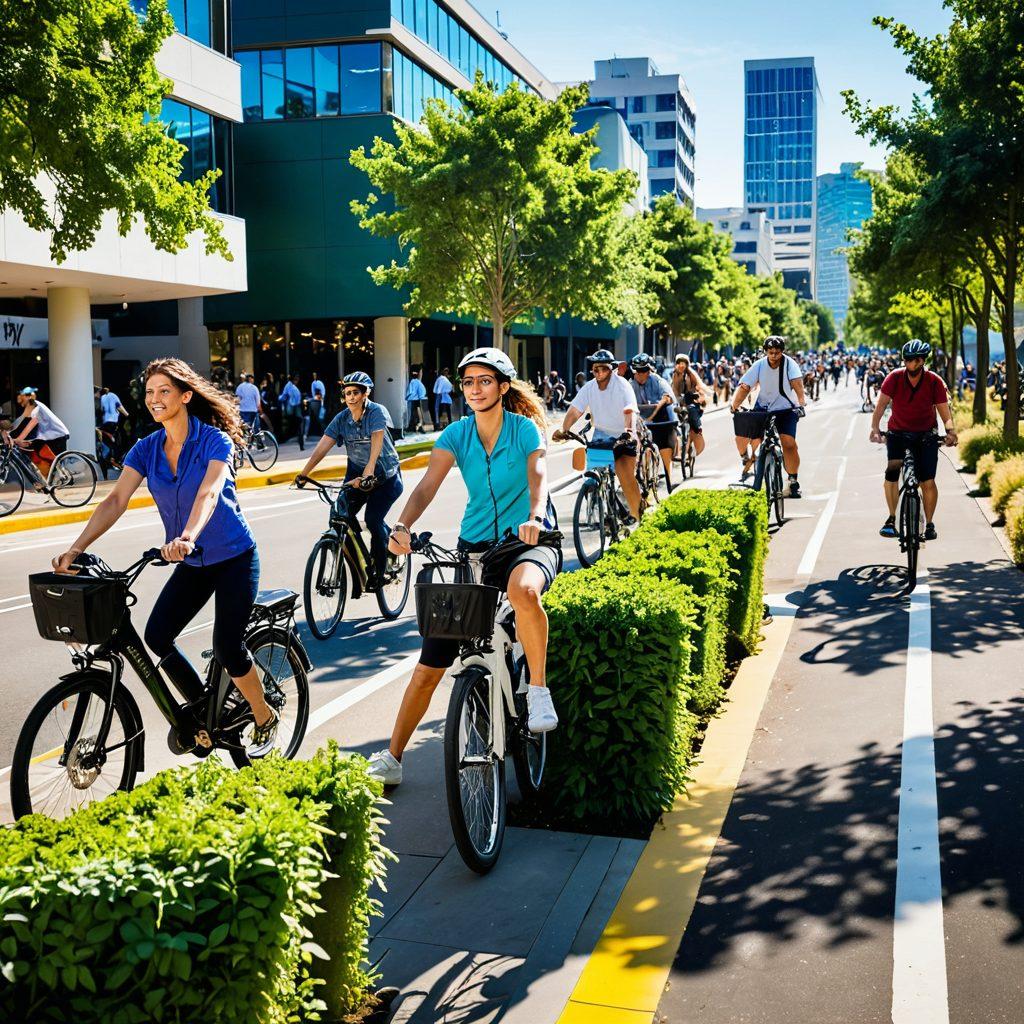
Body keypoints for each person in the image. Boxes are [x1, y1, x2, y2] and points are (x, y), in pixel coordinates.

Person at [50, 358, 279, 755]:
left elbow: (209, 493)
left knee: (227, 647)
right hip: (193, 563)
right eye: (150, 392)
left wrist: (187, 536)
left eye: (164, 391)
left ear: (186, 396)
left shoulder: (213, 441)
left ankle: (263, 714)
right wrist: (76, 548)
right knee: (157, 635)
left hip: (233, 558)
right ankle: (203, 708)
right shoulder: (147, 448)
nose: (154, 399)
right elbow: (116, 500)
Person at [367, 348, 560, 786]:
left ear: (503, 387)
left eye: (484, 381)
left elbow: (538, 476)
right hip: (474, 549)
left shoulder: (523, 429)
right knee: (430, 664)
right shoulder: (456, 434)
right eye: (468, 382)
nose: (475, 389)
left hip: (527, 541)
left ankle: (538, 689)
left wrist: (535, 516)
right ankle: (393, 758)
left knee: (524, 591)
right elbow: (426, 486)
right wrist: (402, 525)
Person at [295, 371, 403, 577]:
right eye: (347, 393)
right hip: (356, 473)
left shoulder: (376, 412)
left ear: (365, 394)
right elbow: (323, 446)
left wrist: (370, 468)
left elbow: (377, 439)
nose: (351, 397)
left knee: (373, 519)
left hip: (385, 476)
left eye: (356, 392)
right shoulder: (342, 419)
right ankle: (359, 562)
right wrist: (304, 473)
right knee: (339, 514)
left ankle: (381, 569)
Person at [870, 340, 958, 540]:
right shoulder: (894, 378)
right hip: (897, 434)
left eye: (914, 359)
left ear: (922, 360)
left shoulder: (934, 381)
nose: (910, 363)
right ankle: (891, 519)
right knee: (892, 473)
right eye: (907, 359)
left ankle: (930, 524)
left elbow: (944, 412)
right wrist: (875, 428)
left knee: (928, 481)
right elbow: (881, 405)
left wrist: (951, 431)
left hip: (926, 435)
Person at [554, 348, 642, 520]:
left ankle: (639, 517)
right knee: (593, 476)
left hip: (623, 435)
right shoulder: (589, 387)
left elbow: (629, 409)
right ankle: (602, 511)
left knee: (627, 480)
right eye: (596, 369)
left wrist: (629, 431)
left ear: (611, 369)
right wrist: (565, 429)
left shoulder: (622, 385)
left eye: (604, 369)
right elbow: (575, 410)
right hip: (601, 434)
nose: (600, 373)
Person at [730, 337, 807, 498]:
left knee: (789, 443)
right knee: (748, 438)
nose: (774, 356)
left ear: (782, 351)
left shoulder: (790, 364)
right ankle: (750, 463)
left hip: (786, 410)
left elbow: (797, 385)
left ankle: (793, 481)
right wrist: (735, 405)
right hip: (763, 409)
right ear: (765, 352)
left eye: (777, 352)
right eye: (770, 352)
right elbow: (745, 386)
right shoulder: (759, 365)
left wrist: (801, 403)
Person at [630, 352, 679, 488]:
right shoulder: (630, 385)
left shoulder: (657, 381)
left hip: (660, 419)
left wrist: (657, 407)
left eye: (643, 371)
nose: (640, 374)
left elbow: (668, 397)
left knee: (665, 442)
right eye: (637, 371)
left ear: (649, 371)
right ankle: (637, 473)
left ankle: (669, 477)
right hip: (639, 418)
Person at [9, 387, 70, 480]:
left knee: (49, 457)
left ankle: (60, 475)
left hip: (57, 435)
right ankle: (55, 477)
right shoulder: (32, 406)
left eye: (22, 399)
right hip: (51, 436)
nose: (20, 403)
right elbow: (20, 421)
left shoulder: (35, 406)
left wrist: (19, 438)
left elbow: (30, 425)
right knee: (41, 452)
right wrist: (9, 432)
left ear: (28, 397)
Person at [669, 354, 709, 460]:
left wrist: (701, 396)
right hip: (680, 403)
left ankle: (697, 431)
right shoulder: (674, 375)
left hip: (692, 401)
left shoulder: (691, 374)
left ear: (687, 364)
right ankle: (677, 451)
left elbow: (699, 387)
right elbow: (673, 391)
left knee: (692, 413)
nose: (681, 365)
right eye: (679, 363)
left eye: (684, 363)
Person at [280, 374, 304, 449]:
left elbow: (284, 396)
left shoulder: (292, 386)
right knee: (298, 425)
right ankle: (300, 443)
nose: (297, 381)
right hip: (293, 408)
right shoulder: (289, 386)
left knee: (298, 425)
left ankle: (300, 443)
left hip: (294, 408)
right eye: (296, 379)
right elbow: (284, 396)